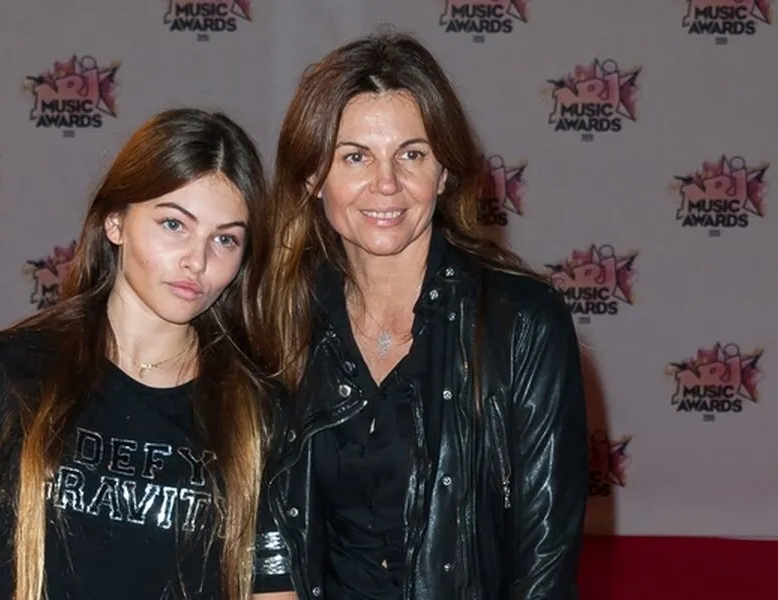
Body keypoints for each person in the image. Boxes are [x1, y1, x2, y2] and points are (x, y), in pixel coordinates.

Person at [248, 32, 588, 600]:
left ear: (444, 173)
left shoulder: (522, 324)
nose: (387, 184)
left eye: (412, 154)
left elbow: (545, 565)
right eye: (355, 157)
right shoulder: (277, 318)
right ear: (312, 178)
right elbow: (267, 535)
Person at [0, 108, 270, 600]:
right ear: (115, 222)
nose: (197, 260)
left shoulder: (257, 411)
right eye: (173, 224)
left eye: (225, 239)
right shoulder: (11, 372)